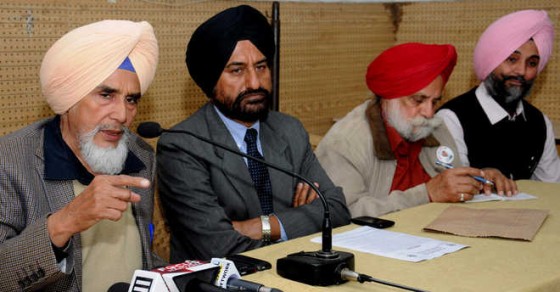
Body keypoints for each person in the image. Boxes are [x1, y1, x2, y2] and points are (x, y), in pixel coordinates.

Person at [157, 5, 351, 262]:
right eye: (237, 70)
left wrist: (260, 226)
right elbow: (218, 247)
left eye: (261, 67)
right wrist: (298, 221)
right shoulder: (182, 146)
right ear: (211, 80)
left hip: (298, 273)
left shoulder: (288, 130)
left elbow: (336, 210)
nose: (255, 83)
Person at [0, 20, 162, 291]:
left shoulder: (141, 155)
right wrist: (64, 222)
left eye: (131, 99)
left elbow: (144, 255)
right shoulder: (10, 161)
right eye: (106, 94)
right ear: (69, 98)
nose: (123, 115)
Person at [315, 43, 516, 218]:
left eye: (435, 101)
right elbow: (340, 213)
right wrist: (426, 195)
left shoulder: (433, 127)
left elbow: (448, 179)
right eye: (418, 100)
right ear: (389, 97)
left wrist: (478, 180)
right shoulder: (345, 142)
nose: (429, 112)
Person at [437, 10, 560, 182]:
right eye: (512, 59)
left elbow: (552, 188)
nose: (521, 71)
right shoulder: (451, 119)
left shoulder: (539, 122)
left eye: (532, 63)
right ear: (490, 60)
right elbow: (454, 189)